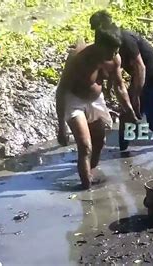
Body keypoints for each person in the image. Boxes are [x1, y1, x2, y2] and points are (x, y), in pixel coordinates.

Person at [56, 23, 137, 189]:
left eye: (116, 50)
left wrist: (130, 111)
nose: (114, 54)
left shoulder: (114, 58)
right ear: (99, 45)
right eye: (111, 51)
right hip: (74, 100)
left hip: (95, 99)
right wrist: (61, 127)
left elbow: (119, 86)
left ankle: (89, 173)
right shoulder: (77, 58)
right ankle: (87, 190)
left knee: (99, 142)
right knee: (85, 146)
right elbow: (61, 90)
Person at [89, 10, 153, 151]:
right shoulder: (107, 40)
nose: (96, 33)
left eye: (97, 28)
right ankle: (123, 149)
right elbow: (113, 64)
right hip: (138, 77)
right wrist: (110, 85)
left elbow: (140, 67)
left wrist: (135, 96)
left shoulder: (125, 39)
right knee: (126, 113)